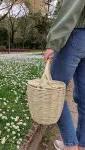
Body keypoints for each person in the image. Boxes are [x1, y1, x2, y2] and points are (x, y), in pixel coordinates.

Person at [44, 0, 85, 150]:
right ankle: (80, 145)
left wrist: (53, 43)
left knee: (54, 93)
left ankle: (71, 146)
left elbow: (72, 8)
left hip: (76, 35)